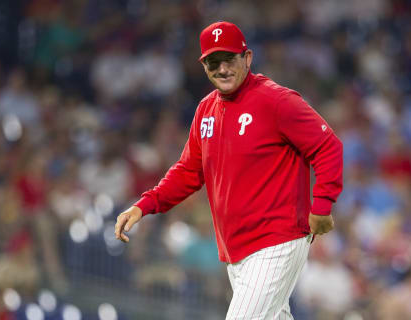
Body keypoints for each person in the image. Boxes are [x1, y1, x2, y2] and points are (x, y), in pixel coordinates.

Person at [115, 21, 343, 320]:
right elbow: (187, 171)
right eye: (212, 62)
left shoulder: (276, 100)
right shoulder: (206, 110)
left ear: (247, 58)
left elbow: (328, 146)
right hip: (236, 251)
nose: (221, 69)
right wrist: (145, 205)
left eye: (229, 59)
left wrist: (322, 204)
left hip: (278, 240)